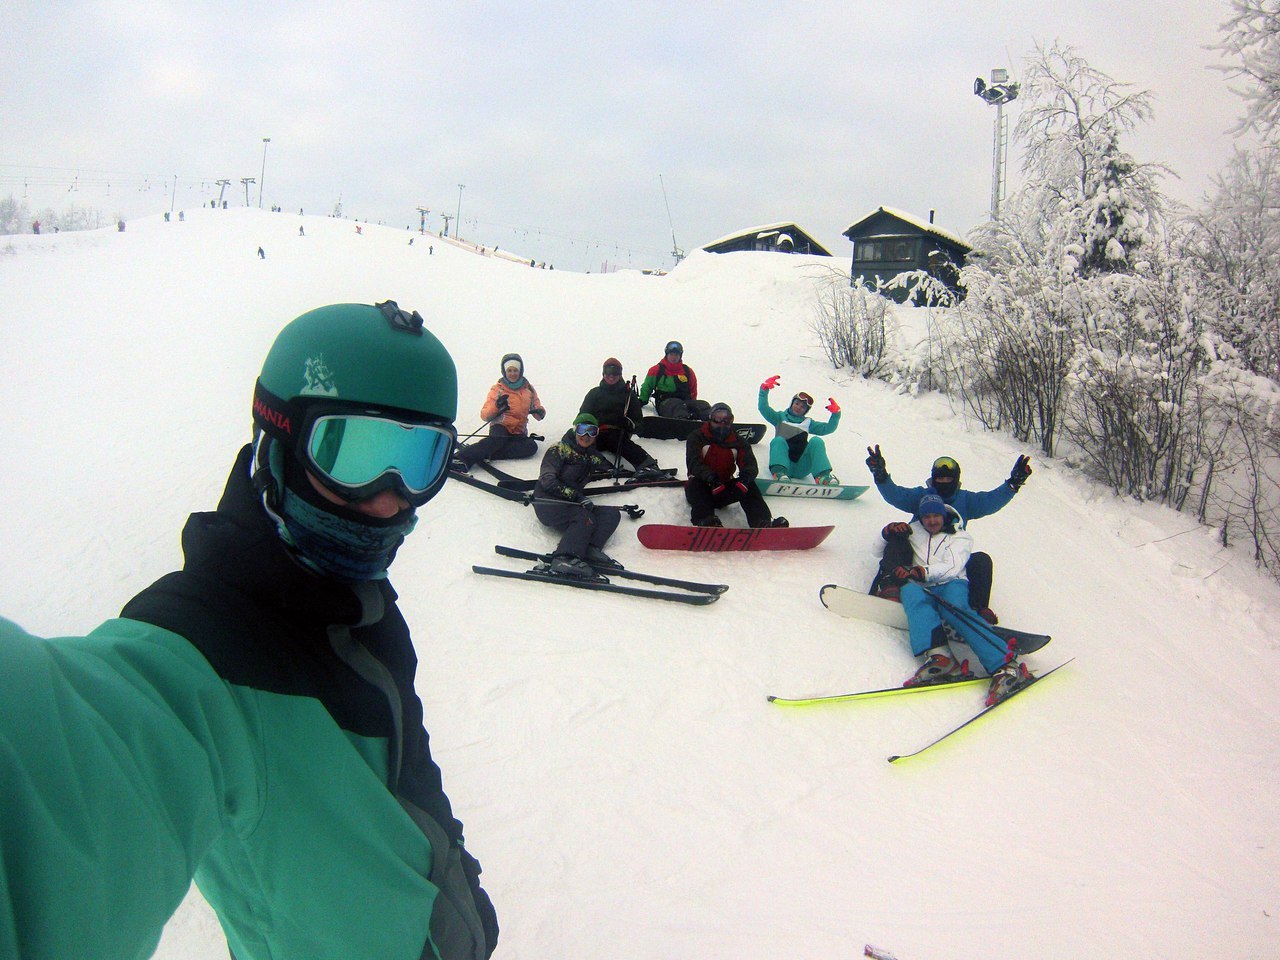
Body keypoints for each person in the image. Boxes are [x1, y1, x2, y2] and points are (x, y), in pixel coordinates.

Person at [0, 301, 498, 960]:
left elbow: (408, 774)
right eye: (354, 453)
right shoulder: (203, 652)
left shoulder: (358, 605)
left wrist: (452, 874)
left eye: (420, 459)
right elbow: (63, 779)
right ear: (277, 442)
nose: (388, 498)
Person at [884, 494, 1034, 706]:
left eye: (936, 515)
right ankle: (941, 657)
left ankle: (1004, 663)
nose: (932, 521)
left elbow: (952, 566)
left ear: (944, 516)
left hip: (951, 582)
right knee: (910, 593)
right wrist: (886, 533)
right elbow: (876, 552)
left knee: (955, 609)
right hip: (923, 585)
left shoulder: (960, 536)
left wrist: (921, 571)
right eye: (927, 516)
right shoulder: (914, 531)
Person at [865, 446, 1032, 622]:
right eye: (940, 478)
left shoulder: (966, 500)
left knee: (981, 560)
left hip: (948, 561)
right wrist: (880, 475)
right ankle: (890, 586)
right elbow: (896, 495)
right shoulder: (922, 496)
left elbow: (991, 501)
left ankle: (978, 608)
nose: (944, 481)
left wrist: (1013, 484)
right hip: (918, 557)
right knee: (898, 535)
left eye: (948, 478)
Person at [533, 413, 624, 576]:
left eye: (592, 431)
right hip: (548, 502)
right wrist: (577, 497)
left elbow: (606, 465)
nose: (586, 436)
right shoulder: (559, 449)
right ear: (575, 430)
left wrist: (617, 469)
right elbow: (547, 480)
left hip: (573, 504)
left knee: (611, 514)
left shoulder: (591, 455)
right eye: (582, 430)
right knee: (584, 517)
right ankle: (564, 558)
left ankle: (590, 548)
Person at [685, 402, 787, 528]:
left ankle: (762, 522)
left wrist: (745, 479)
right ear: (711, 419)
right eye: (718, 418)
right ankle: (705, 520)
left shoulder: (738, 441)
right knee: (695, 483)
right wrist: (711, 478)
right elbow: (694, 463)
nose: (722, 423)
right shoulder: (697, 437)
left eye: (727, 420)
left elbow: (749, 464)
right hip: (702, 488)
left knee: (749, 485)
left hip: (722, 489)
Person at [454, 353, 546, 470]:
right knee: (498, 440)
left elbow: (537, 410)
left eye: (515, 370)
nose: (512, 374)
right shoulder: (498, 389)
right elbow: (485, 415)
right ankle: (462, 458)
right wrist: (497, 406)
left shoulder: (529, 389)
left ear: (520, 371)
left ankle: (488, 453)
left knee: (531, 447)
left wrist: (540, 411)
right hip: (501, 426)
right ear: (504, 371)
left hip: (518, 431)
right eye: (509, 370)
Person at [578, 357, 663, 479]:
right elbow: (581, 416)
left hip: (617, 432)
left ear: (620, 374)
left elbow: (639, 423)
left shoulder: (628, 395)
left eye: (615, 373)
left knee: (616, 440)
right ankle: (603, 466)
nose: (611, 376)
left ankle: (648, 465)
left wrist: (629, 424)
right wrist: (588, 425)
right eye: (608, 373)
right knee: (573, 437)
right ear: (603, 374)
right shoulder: (594, 393)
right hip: (594, 432)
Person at [757, 375, 842, 484]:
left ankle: (823, 477)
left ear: (805, 411)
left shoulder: (808, 422)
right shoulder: (780, 417)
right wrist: (764, 390)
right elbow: (763, 408)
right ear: (792, 403)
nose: (798, 407)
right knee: (778, 441)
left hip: (801, 467)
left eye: (802, 407)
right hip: (783, 464)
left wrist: (836, 415)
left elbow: (828, 428)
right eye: (797, 403)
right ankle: (779, 473)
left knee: (817, 441)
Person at [638, 340, 710, 420]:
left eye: (676, 355)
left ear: (680, 356)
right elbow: (647, 387)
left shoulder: (688, 371)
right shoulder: (656, 370)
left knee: (703, 405)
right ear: (667, 355)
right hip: (665, 403)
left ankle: (711, 423)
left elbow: (693, 390)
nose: (674, 357)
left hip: (685, 402)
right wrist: (642, 401)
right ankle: (683, 422)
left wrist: (693, 405)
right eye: (671, 354)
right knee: (676, 405)